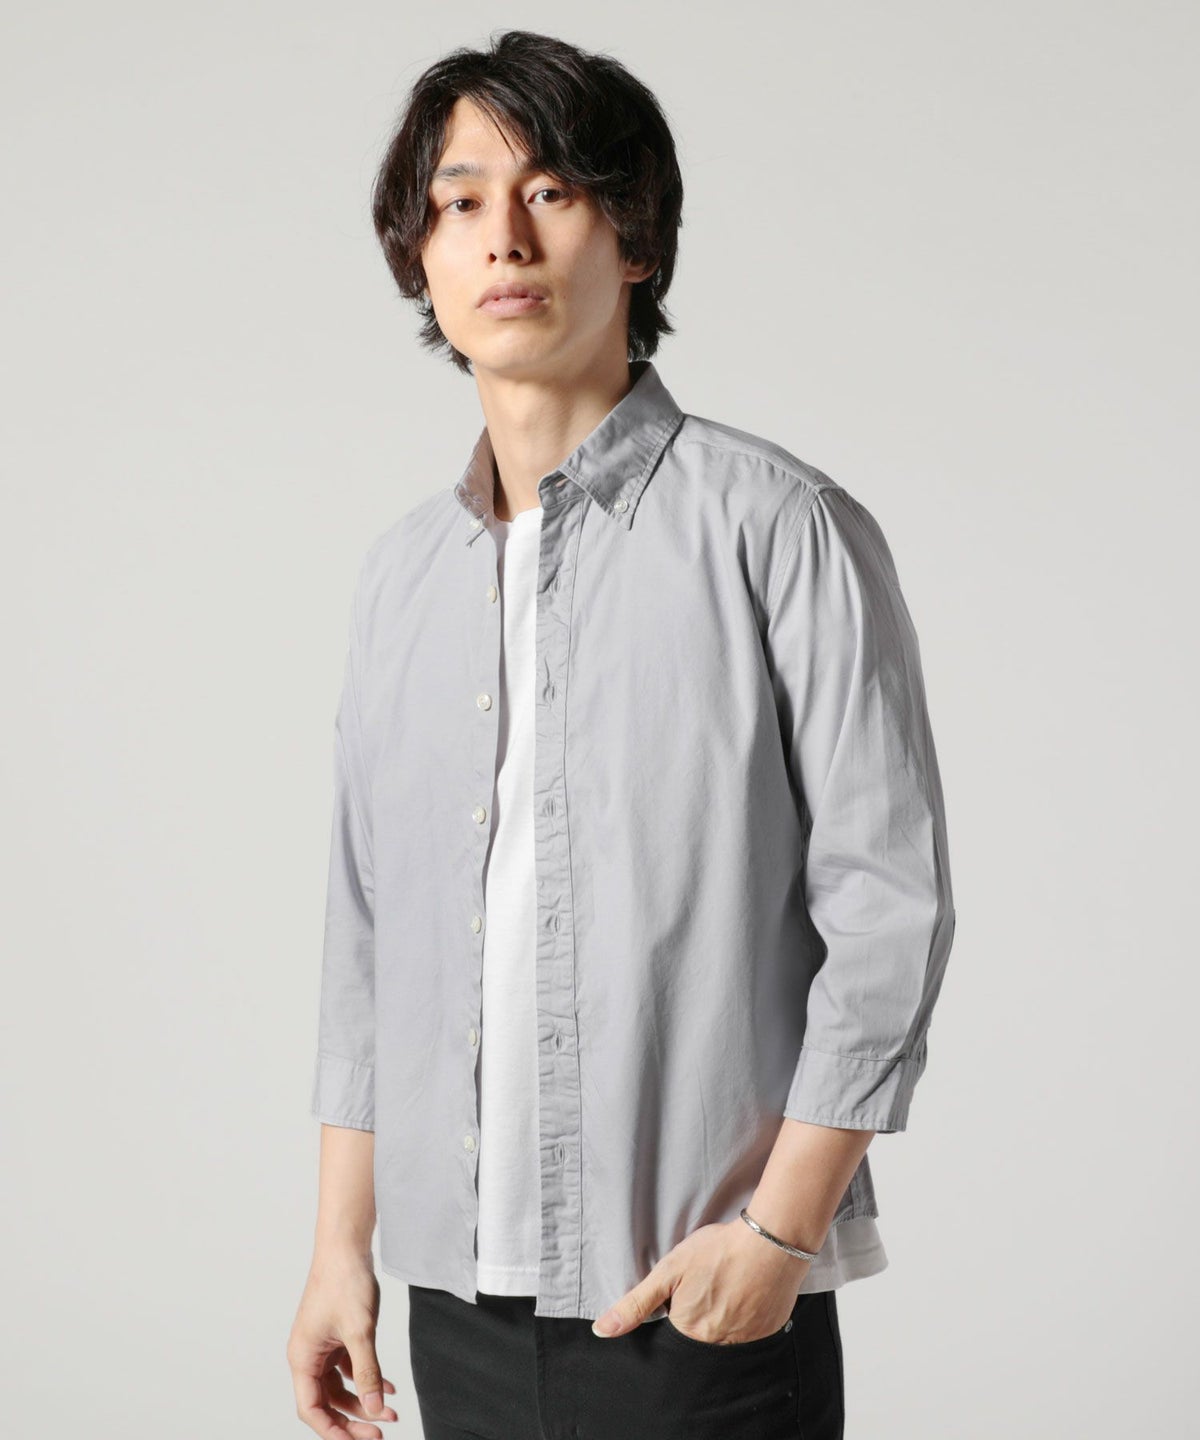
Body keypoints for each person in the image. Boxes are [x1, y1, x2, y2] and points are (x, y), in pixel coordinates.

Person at [287, 28, 956, 1440]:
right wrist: (342, 1249)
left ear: (636, 239)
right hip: (453, 1306)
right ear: (420, 256)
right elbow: (368, 940)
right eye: (462, 201)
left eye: (553, 191)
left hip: (699, 1300)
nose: (504, 236)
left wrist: (779, 1236)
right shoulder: (400, 578)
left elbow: (888, 911)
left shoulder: (780, 529)